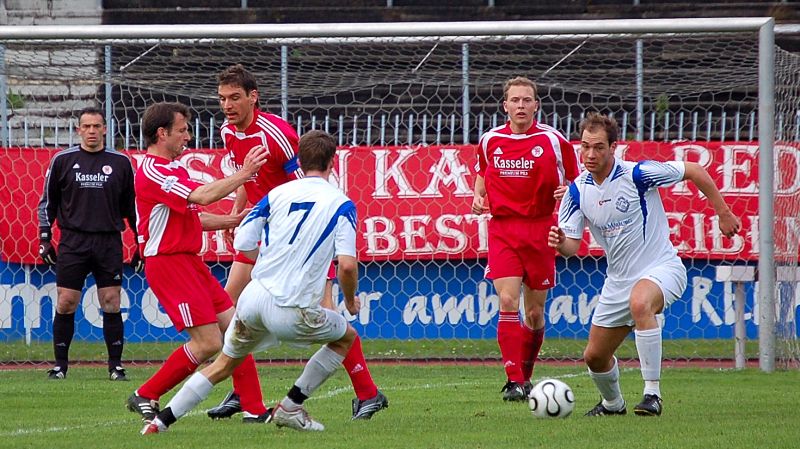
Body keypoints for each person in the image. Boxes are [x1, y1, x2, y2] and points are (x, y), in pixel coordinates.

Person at [141, 130, 363, 435]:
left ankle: (160, 422)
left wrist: (272, 258)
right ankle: (291, 407)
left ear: (299, 160)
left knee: (223, 364)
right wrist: (350, 300)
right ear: (332, 162)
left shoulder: (276, 195)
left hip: (253, 300)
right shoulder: (341, 204)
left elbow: (245, 241)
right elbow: (347, 266)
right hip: (292, 308)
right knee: (345, 337)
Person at [206, 64, 387, 421]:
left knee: (327, 314)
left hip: (297, 240)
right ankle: (243, 391)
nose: (227, 106)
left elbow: (309, 189)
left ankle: (367, 393)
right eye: (222, 98)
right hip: (264, 232)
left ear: (253, 97)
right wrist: (238, 213)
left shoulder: (277, 134)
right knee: (229, 308)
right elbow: (247, 178)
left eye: (234, 98)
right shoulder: (228, 131)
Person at [548, 113, 741, 416]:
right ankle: (613, 405)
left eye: (598, 147)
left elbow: (694, 169)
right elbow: (571, 247)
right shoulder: (576, 192)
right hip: (618, 281)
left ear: (613, 147)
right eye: (585, 146)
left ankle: (652, 394)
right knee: (595, 357)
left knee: (640, 302)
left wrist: (723, 212)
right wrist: (560, 242)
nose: (590, 154)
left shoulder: (638, 174)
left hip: (662, 268)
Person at [125, 102, 271, 425]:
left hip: (189, 261)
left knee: (238, 330)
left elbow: (193, 217)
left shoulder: (174, 169)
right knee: (208, 343)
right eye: (182, 130)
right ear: (162, 134)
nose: (188, 136)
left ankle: (254, 409)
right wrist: (244, 174)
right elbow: (203, 196)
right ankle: (146, 393)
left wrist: (232, 220)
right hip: (169, 264)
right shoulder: (153, 171)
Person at [472, 76, 580, 401]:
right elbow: (482, 173)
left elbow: (579, 181)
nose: (521, 105)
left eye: (527, 100)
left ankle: (526, 376)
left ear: (536, 105)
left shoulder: (553, 140)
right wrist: (478, 196)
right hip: (503, 228)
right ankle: (514, 380)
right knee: (507, 300)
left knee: (534, 313)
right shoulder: (490, 140)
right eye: (515, 100)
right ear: (505, 105)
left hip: (540, 229)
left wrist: (569, 191)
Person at [37, 106, 141, 381]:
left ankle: (115, 366)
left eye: (97, 126)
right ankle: (60, 366)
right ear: (78, 130)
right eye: (87, 126)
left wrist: (140, 242)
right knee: (66, 301)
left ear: (105, 129)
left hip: (108, 241)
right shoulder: (62, 160)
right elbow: (47, 203)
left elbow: (133, 208)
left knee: (111, 301)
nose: (92, 131)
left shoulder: (120, 162)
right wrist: (45, 238)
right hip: (73, 241)